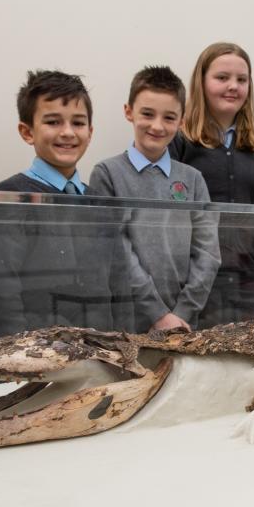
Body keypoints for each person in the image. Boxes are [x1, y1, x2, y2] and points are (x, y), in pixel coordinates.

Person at [0, 70, 124, 337]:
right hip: (36, 353)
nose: (68, 132)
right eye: (53, 122)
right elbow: (3, 292)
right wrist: (15, 355)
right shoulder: (11, 196)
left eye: (78, 123)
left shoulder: (100, 204)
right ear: (27, 131)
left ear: (90, 132)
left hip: (99, 350)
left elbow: (116, 282)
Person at [87, 66, 221, 332]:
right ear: (129, 112)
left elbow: (208, 253)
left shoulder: (193, 179)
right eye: (147, 114)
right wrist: (158, 314)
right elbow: (116, 252)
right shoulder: (107, 174)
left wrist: (182, 313)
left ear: (182, 121)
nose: (157, 126)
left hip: (184, 325)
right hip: (127, 323)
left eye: (169, 117)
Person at [169, 42, 254, 327]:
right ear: (201, 82)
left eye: (241, 80)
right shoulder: (180, 141)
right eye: (222, 78)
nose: (233, 86)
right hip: (193, 283)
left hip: (245, 283)